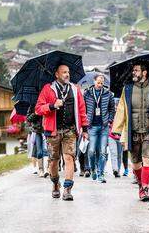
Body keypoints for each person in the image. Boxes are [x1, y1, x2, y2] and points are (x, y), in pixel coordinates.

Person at [112, 63, 149, 202]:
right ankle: (141, 185)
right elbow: (121, 109)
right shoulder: (128, 89)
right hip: (133, 131)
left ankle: (145, 188)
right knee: (136, 163)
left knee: (147, 160)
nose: (133, 73)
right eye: (133, 70)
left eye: (136, 70)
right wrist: (117, 130)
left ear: (144, 72)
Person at [36, 64, 88, 201]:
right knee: (53, 161)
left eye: (68, 72)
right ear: (57, 74)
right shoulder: (48, 89)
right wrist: (52, 105)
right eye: (64, 72)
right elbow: (38, 109)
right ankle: (55, 184)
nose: (67, 74)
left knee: (69, 158)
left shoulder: (75, 89)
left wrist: (85, 129)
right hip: (52, 132)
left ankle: (67, 189)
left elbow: (82, 110)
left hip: (70, 130)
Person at [84, 73, 115, 183]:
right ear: (94, 81)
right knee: (91, 151)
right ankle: (93, 169)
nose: (100, 84)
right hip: (91, 127)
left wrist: (110, 120)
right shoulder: (87, 93)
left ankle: (100, 173)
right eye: (98, 82)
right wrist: (85, 123)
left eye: (102, 83)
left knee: (102, 152)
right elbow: (83, 109)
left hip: (103, 127)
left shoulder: (108, 94)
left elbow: (112, 109)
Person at [26, 104, 49, 177]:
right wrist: (35, 113)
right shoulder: (32, 105)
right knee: (39, 152)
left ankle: (46, 170)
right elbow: (28, 119)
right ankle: (41, 170)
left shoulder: (46, 102)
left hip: (47, 130)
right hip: (37, 131)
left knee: (46, 151)